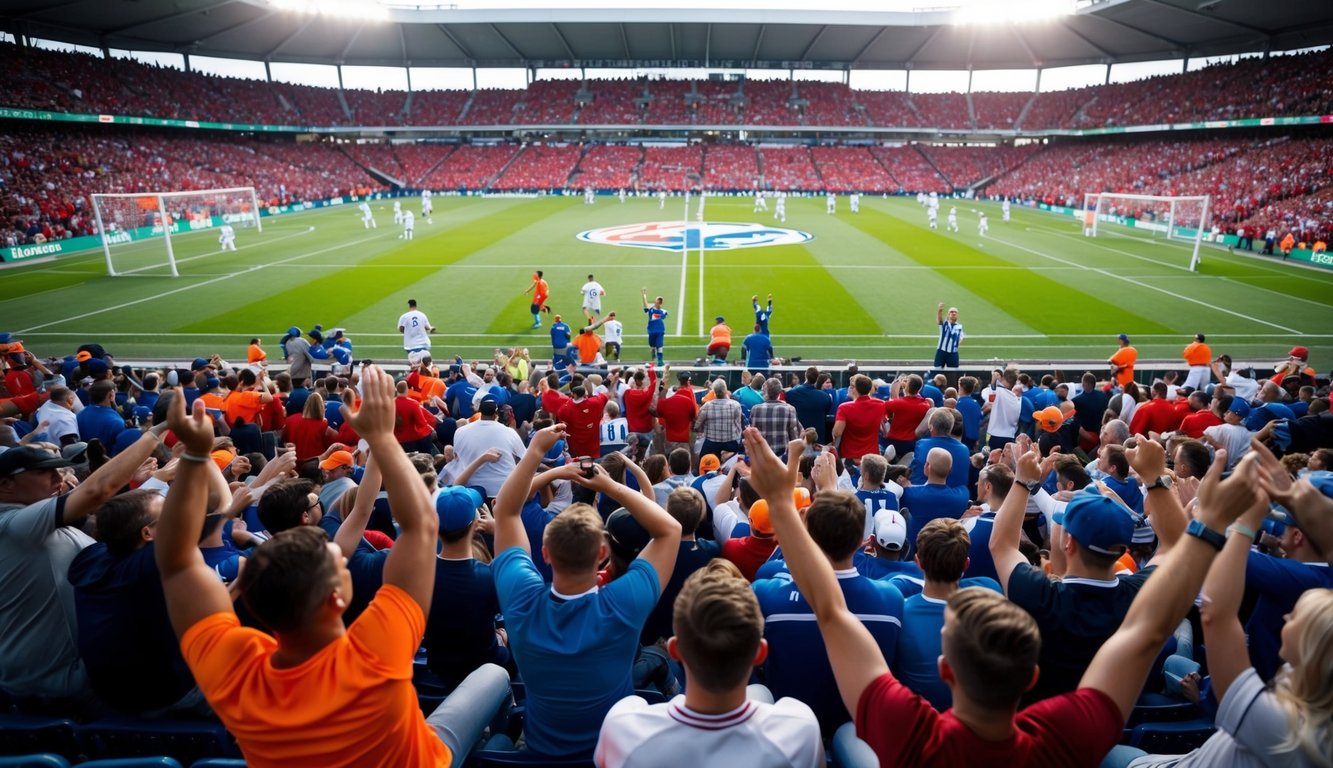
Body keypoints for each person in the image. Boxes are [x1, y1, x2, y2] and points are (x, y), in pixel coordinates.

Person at [742, 427, 1267, 768]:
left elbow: (831, 609)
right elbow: (1147, 630)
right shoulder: (1064, 737)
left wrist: (783, 504)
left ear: (946, 670)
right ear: (1030, 676)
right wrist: (1209, 525)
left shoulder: (911, 734)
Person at [154, 367, 510, 766]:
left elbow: (176, 563)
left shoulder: (235, 671)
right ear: (338, 595)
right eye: (337, 562)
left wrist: (195, 457)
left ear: (250, 602)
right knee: (495, 685)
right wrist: (380, 437)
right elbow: (423, 527)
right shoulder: (376, 654)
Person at [490, 424, 681, 758]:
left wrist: (536, 453)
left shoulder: (522, 601)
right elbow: (669, 529)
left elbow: (505, 511)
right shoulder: (621, 604)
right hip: (611, 755)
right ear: (602, 554)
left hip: (540, 752)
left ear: (546, 555)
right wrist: (609, 485)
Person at [0, 419, 172, 706]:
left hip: (57, 675)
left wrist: (152, 480)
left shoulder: (30, 517)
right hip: (53, 685)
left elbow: (109, 514)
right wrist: (155, 433)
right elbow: (96, 492)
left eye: (58, 469)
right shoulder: (14, 524)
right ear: (5, 484)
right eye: (44, 472)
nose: (57, 477)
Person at [595, 560, 823, 768]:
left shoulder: (622, 728)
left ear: (675, 649)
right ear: (760, 652)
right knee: (761, 691)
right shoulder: (800, 731)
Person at [753, 476, 904, 735]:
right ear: (862, 542)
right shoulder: (891, 598)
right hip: (860, 734)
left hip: (788, 734)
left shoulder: (767, 595)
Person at [895, 519, 1003, 711]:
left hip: (922, 723)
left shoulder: (900, 612)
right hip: (979, 717)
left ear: (918, 562)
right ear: (966, 564)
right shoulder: (991, 591)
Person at [642, 290, 669, 367]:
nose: (658, 301)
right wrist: (644, 295)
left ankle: (660, 361)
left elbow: (663, 316)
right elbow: (645, 305)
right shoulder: (650, 309)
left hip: (660, 330)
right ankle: (653, 353)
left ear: (660, 303)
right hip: (651, 330)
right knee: (652, 345)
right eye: (658, 299)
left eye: (660, 300)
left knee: (659, 346)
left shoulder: (663, 311)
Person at [935, 304, 964, 370]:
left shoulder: (959, 326)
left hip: (953, 353)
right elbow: (939, 320)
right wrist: (939, 311)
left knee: (953, 372)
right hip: (941, 351)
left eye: (955, 312)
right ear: (948, 314)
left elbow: (961, 337)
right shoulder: (944, 324)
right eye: (951, 312)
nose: (954, 313)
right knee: (937, 370)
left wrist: (957, 344)